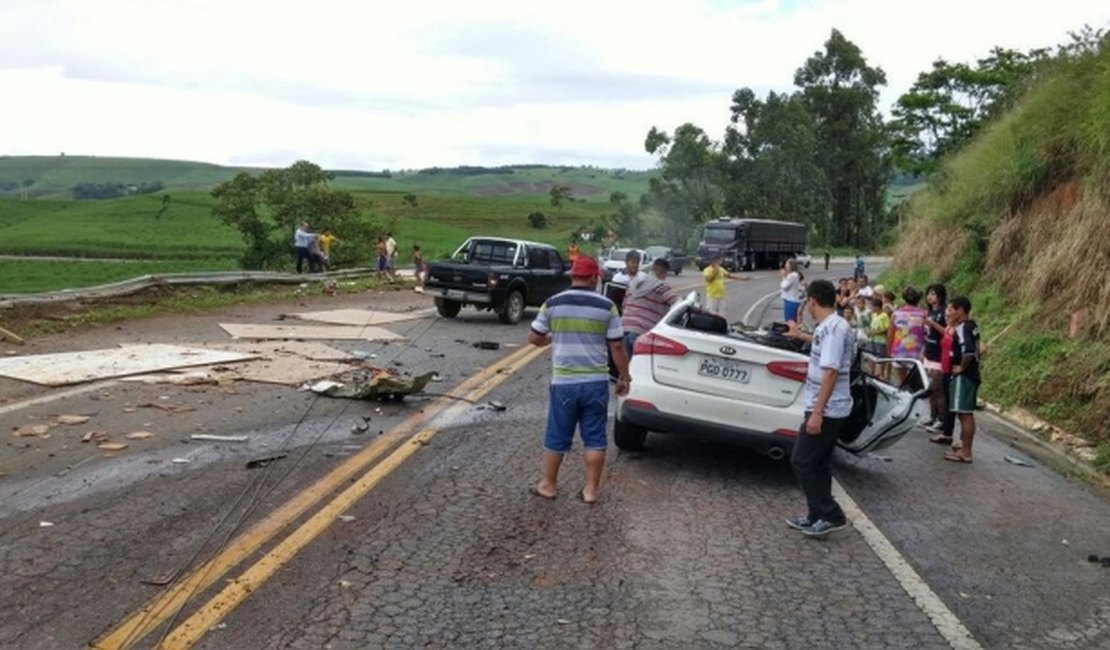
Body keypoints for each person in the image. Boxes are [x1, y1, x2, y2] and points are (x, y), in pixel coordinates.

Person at [528, 256, 629, 504]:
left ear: (572, 276)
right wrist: (624, 377)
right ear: (595, 278)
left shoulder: (553, 303)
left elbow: (534, 337)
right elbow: (616, 345)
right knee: (595, 438)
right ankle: (590, 491)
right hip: (595, 383)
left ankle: (549, 485)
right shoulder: (607, 307)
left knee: (557, 436)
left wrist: (551, 339)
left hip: (564, 384)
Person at [784, 279, 855, 537]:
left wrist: (817, 413)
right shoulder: (830, 326)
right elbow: (821, 342)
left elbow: (831, 372)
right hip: (824, 406)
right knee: (819, 463)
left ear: (813, 301)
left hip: (828, 409)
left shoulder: (835, 329)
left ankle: (831, 514)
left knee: (801, 460)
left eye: (807, 302)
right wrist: (800, 335)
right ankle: (816, 515)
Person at [943, 297, 980, 463]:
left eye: (951, 310)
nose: (948, 313)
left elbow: (969, 351)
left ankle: (966, 451)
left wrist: (961, 368)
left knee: (965, 414)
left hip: (964, 377)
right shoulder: (973, 326)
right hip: (971, 375)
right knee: (963, 412)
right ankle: (964, 444)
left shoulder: (963, 328)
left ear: (960, 311)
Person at [620, 258, 677, 356]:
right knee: (636, 368)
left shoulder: (635, 283)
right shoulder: (661, 286)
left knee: (624, 367)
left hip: (623, 328)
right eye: (665, 274)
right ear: (662, 272)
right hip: (641, 333)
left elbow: (624, 305)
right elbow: (677, 304)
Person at [888, 286, 928, 387]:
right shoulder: (923, 314)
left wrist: (888, 351)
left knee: (901, 382)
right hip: (917, 353)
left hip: (898, 351)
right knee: (916, 382)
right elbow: (927, 334)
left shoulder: (896, 314)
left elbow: (890, 335)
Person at [921, 284, 949, 432]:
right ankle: (932, 416)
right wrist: (923, 351)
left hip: (939, 355)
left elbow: (947, 332)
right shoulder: (930, 312)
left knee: (939, 389)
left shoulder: (944, 312)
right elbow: (928, 334)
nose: (930, 297)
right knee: (931, 388)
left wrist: (933, 324)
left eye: (933, 294)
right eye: (928, 294)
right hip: (929, 353)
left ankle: (942, 419)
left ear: (940, 295)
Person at [780, 259, 805, 323]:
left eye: (787, 264)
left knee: (790, 322)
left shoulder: (792, 276)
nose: (785, 266)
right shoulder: (795, 274)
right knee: (792, 321)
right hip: (792, 300)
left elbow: (784, 287)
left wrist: (784, 277)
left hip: (791, 301)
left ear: (791, 266)